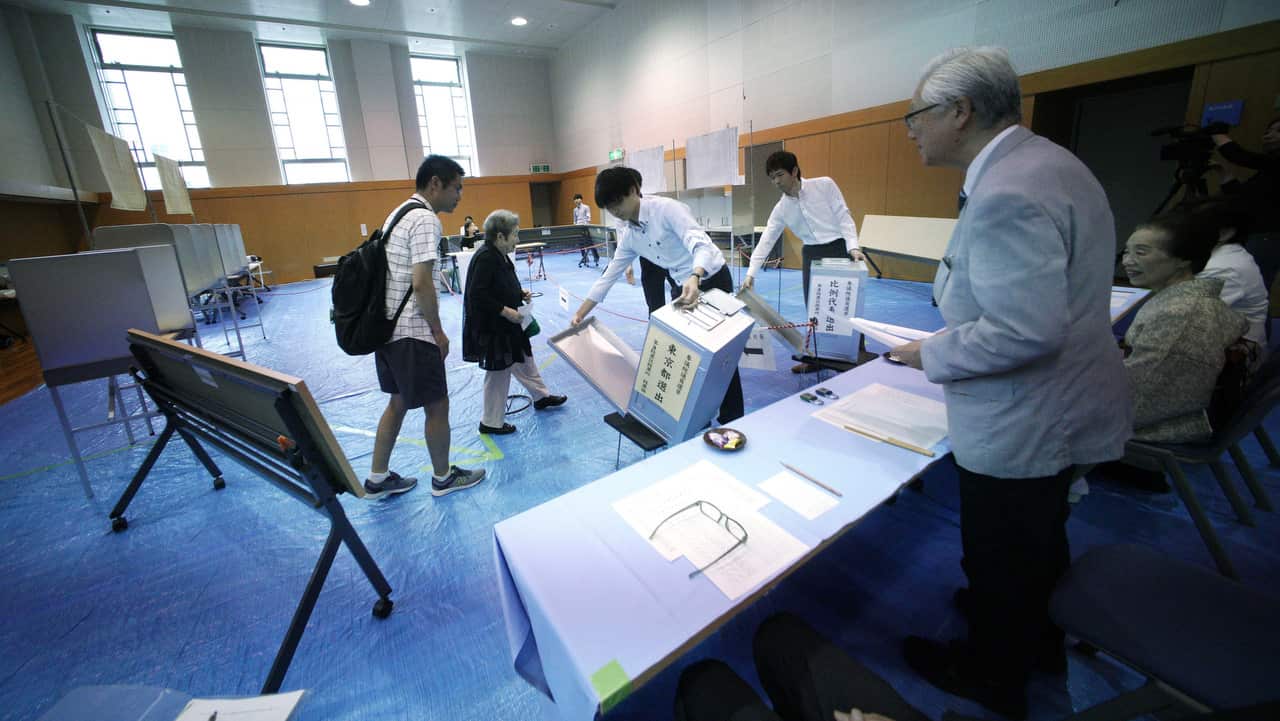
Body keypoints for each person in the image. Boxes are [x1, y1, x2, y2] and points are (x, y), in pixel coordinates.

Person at [888, 47, 1131, 719]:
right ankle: (1037, 636)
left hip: (1027, 416)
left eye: (917, 115)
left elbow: (1024, 331)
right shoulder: (1049, 162)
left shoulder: (1007, 193)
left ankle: (993, 673)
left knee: (1000, 549)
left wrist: (930, 352)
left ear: (960, 112)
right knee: (1037, 542)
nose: (910, 129)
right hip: (1065, 402)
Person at [571, 166, 744, 424]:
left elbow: (699, 243)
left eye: (618, 202)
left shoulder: (667, 210)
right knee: (689, 356)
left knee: (721, 353)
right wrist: (580, 313)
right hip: (681, 287)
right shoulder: (629, 234)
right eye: (609, 207)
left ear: (634, 191)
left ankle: (733, 416)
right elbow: (609, 275)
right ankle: (698, 416)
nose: (615, 211)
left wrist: (696, 275)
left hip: (710, 278)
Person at [366, 155, 486, 499]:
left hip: (388, 332)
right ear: (436, 183)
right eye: (456, 187)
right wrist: (437, 331)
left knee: (398, 402)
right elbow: (421, 284)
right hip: (412, 333)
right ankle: (443, 478)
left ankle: (377, 479)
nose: (460, 196)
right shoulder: (425, 220)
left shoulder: (398, 214)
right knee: (437, 405)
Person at [1121, 212, 1248, 443]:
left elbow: (1137, 401)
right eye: (1127, 252)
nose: (1127, 261)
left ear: (1183, 259)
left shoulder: (1180, 316)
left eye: (1140, 252)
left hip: (1148, 424)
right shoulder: (1181, 303)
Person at [741, 151, 866, 373]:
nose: (776, 181)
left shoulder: (824, 185)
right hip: (811, 254)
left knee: (848, 303)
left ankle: (857, 353)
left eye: (779, 174)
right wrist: (751, 274)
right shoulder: (781, 209)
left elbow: (843, 215)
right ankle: (816, 358)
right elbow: (767, 240)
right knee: (815, 308)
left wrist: (853, 247)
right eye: (772, 177)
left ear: (795, 171)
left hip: (838, 247)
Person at [463, 209, 567, 435]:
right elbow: (477, 295)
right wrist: (505, 311)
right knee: (498, 372)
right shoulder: (486, 258)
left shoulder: (499, 255)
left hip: (509, 324)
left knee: (525, 360)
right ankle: (490, 422)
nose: (517, 240)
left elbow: (500, 285)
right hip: (495, 327)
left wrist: (519, 294)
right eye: (515, 235)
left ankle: (541, 396)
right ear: (500, 236)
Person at [1191, 200, 1268, 359]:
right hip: (1233, 336)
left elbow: (1190, 319)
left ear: (1225, 233)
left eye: (1196, 226)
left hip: (1239, 355)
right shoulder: (1229, 253)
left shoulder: (1222, 267)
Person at [1212, 117, 1280, 289]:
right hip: (1254, 234)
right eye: (1267, 131)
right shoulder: (1267, 174)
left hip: (1268, 235)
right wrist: (1222, 172)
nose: (1268, 136)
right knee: (1246, 288)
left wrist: (1216, 133)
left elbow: (1239, 156)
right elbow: (1241, 197)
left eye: (1278, 131)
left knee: (1251, 288)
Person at [573, 193, 600, 268]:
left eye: (578, 199)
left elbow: (588, 217)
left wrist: (586, 224)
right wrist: (576, 225)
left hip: (585, 227)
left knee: (590, 243)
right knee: (581, 244)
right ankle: (584, 258)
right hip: (578, 228)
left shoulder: (586, 207)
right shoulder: (575, 210)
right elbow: (574, 220)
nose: (576, 200)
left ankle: (596, 257)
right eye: (575, 200)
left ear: (581, 199)